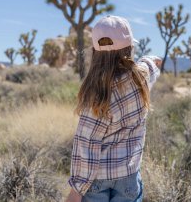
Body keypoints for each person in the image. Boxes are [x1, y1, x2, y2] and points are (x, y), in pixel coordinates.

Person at [65, 15, 162, 202]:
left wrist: (76, 190)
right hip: (129, 175)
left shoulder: (96, 95)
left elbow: (87, 144)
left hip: (97, 180)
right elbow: (150, 64)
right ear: (129, 47)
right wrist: (153, 59)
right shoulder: (141, 78)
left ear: (95, 51)